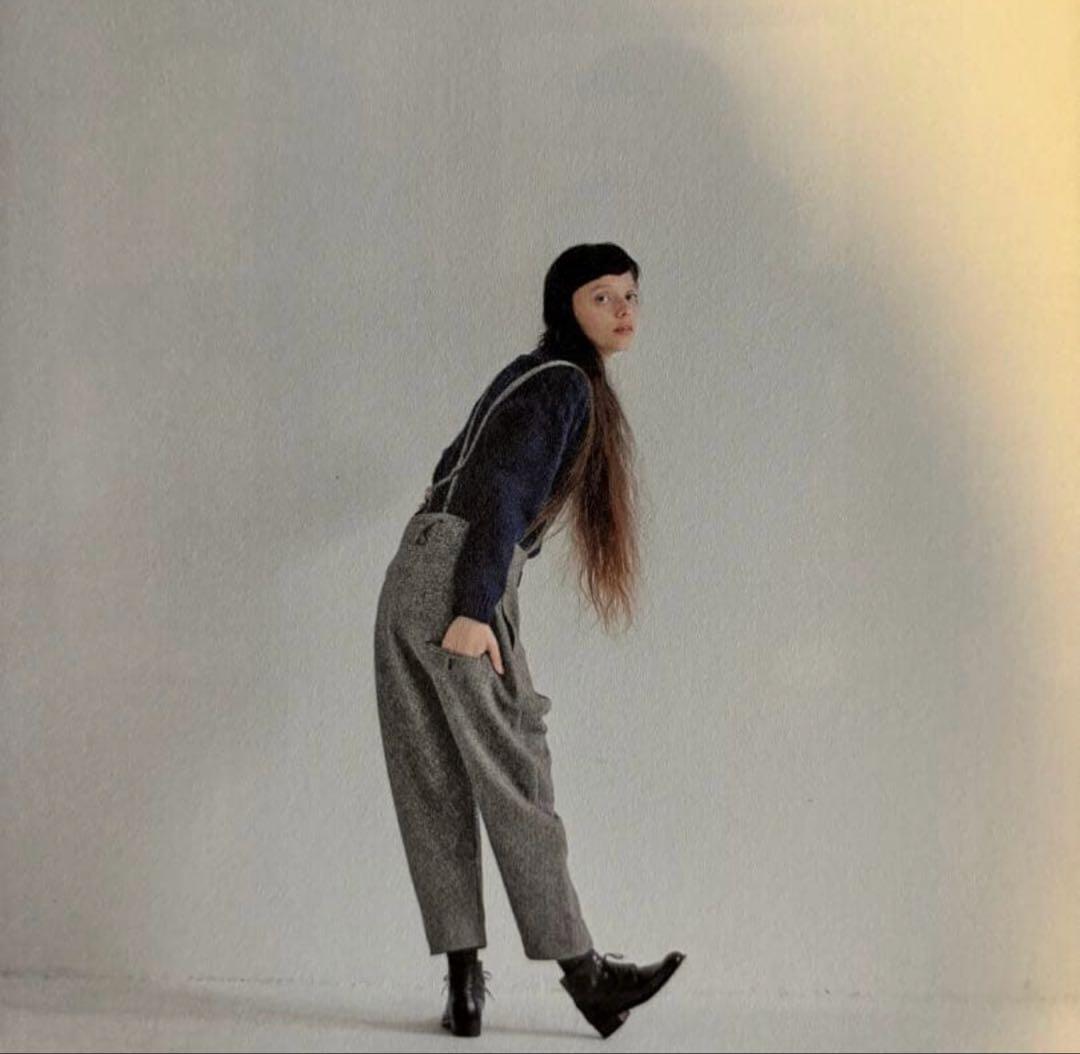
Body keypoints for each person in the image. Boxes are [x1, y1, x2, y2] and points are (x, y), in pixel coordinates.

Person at [372, 242, 685, 1039]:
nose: (622, 310)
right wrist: (476, 606)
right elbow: (501, 490)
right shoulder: (565, 384)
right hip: (463, 581)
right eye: (602, 297)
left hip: (413, 572)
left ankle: (464, 989)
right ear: (566, 307)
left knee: (432, 779)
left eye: (630, 295)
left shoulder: (528, 373)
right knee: (515, 770)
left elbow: (457, 468)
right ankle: (587, 978)